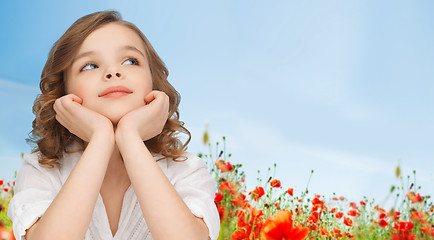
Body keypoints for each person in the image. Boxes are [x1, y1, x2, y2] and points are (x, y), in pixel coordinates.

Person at [7, 10, 220, 240]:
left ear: (153, 82)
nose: (113, 72)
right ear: (64, 92)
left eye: (131, 61)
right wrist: (101, 137)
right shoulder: (43, 171)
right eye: (90, 66)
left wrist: (129, 136)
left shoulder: (185, 170)